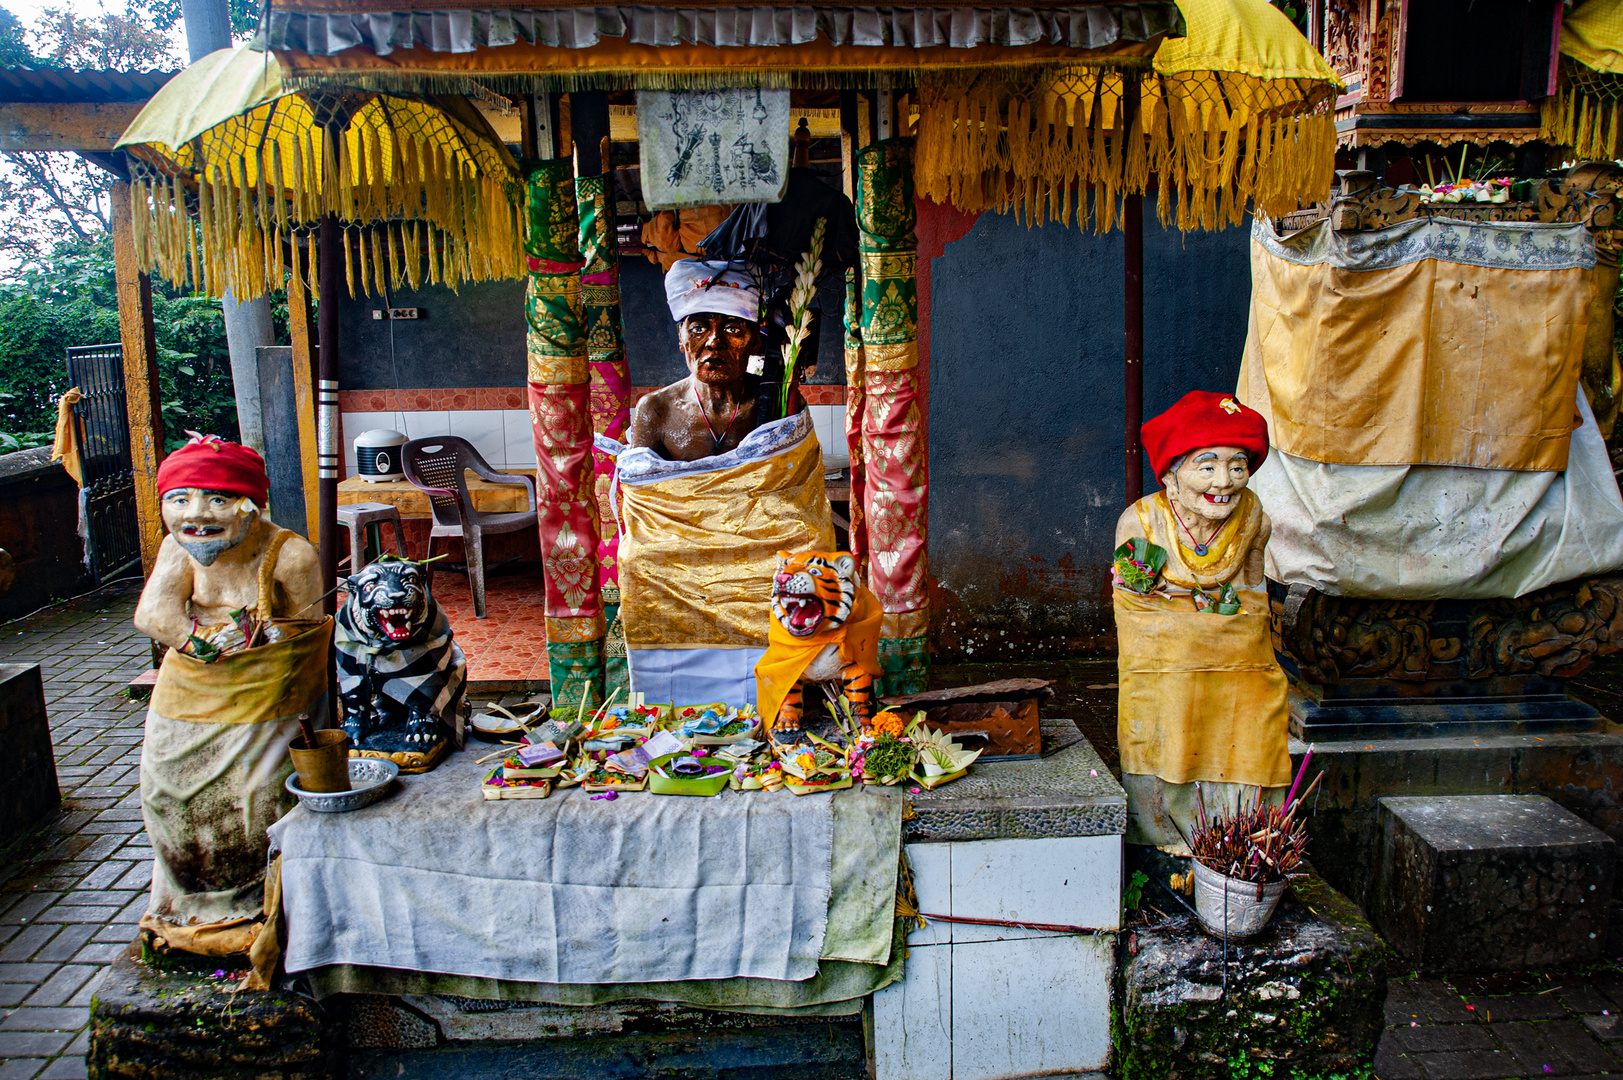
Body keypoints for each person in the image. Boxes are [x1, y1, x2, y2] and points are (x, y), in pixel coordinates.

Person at [132, 435, 328, 963]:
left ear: (250, 506)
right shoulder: (179, 551)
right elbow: (153, 615)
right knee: (165, 794)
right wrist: (198, 641)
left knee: (259, 798)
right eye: (181, 499)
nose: (197, 515)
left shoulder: (290, 556)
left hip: (265, 693)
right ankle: (186, 907)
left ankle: (257, 906)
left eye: (217, 500)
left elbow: (308, 635)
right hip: (190, 684)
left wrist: (263, 646)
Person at [1113, 391, 1293, 852]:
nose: (1225, 481)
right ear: (1172, 476)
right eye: (1207, 465)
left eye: (1238, 466)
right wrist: (1192, 624)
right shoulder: (1142, 521)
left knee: (1259, 684)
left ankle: (1241, 828)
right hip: (1164, 648)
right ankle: (1164, 828)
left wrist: (1219, 621)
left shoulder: (1254, 518)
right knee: (1169, 687)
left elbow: (1253, 597)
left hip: (1231, 644)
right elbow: (1134, 603)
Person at [630, 259, 801, 461]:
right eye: (699, 328)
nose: (714, 342)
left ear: (754, 340)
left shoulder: (779, 404)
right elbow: (642, 489)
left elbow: (796, 483)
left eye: (732, 329)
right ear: (681, 338)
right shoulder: (656, 410)